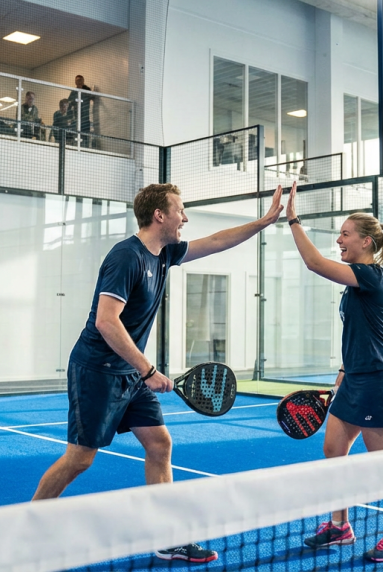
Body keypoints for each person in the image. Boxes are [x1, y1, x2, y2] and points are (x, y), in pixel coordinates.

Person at [30, 183, 285, 564]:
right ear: (159, 215)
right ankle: (29, 526)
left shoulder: (165, 253)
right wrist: (147, 369)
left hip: (129, 372)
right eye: (180, 211)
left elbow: (217, 241)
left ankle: (167, 537)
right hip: (98, 370)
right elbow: (106, 322)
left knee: (160, 444)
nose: (186, 218)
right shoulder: (126, 257)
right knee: (80, 459)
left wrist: (263, 222)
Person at [284, 182, 383, 562]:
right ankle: (340, 525)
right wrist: (342, 372)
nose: (339, 240)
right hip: (354, 379)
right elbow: (360, 334)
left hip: (378, 383)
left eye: (345, 234)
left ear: (366, 242)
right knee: (333, 450)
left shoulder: (372, 276)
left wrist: (292, 219)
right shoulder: (355, 284)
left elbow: (314, 263)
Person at [67, 74, 95, 146]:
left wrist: (85, 90)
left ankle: (85, 149)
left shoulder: (87, 90)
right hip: (76, 119)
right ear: (75, 82)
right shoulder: (73, 92)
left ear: (83, 81)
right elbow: (69, 104)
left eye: (80, 80)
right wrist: (69, 117)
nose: (79, 82)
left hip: (85, 119)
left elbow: (93, 97)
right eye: (77, 81)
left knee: (85, 136)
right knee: (76, 135)